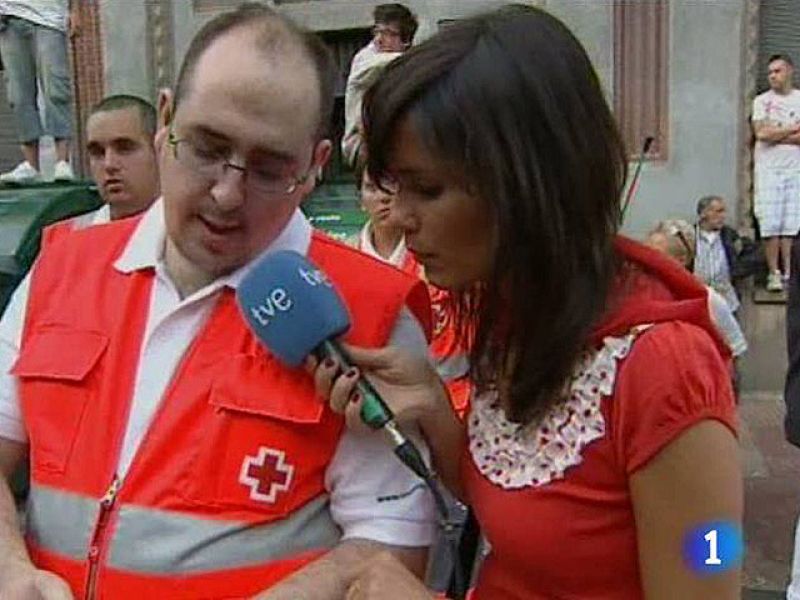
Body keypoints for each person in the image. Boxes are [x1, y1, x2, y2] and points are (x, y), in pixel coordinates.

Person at [0, 5, 436, 599]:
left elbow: (392, 542)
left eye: (268, 168)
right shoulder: (62, 266)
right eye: (207, 148)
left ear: (314, 165)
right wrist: (12, 570)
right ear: (167, 117)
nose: (228, 194)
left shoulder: (369, 312)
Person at [314, 6, 742, 599]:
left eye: (428, 189)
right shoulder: (513, 316)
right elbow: (528, 512)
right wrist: (434, 411)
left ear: (527, 181)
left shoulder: (668, 369)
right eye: (393, 187)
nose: (401, 217)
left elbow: (714, 558)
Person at [43, 94, 160, 242]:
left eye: (124, 149)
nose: (109, 164)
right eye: (97, 152)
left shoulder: (189, 237)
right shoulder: (62, 239)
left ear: (159, 151)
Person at [647, 219, 748, 359]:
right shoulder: (636, 296)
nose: (647, 261)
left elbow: (734, 349)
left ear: (682, 260)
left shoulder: (708, 299)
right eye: (646, 253)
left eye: (656, 255)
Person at [0, 0, 75, 183]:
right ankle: (31, 165)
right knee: (18, 95)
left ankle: (62, 161)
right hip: (9, 17)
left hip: (49, 18)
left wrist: (76, 10)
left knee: (56, 89)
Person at [341, 3, 417, 166]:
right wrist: (415, 58)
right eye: (377, 31)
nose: (379, 39)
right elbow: (380, 65)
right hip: (359, 144)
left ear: (405, 41)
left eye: (389, 33)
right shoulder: (366, 58)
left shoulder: (407, 64)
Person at [752, 53, 800, 292]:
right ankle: (774, 272)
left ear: (790, 71)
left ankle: (790, 272)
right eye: (770, 72)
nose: (773, 76)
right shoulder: (762, 101)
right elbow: (762, 134)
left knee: (791, 224)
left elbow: (773, 134)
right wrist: (792, 129)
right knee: (770, 222)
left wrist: (777, 132)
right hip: (769, 170)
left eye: (777, 71)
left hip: (794, 169)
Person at [694, 195, 757, 312]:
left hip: (725, 300)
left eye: (723, 212)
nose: (722, 216)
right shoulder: (690, 236)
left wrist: (736, 271)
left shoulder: (729, 236)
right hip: (697, 300)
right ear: (703, 214)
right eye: (718, 212)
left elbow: (752, 255)